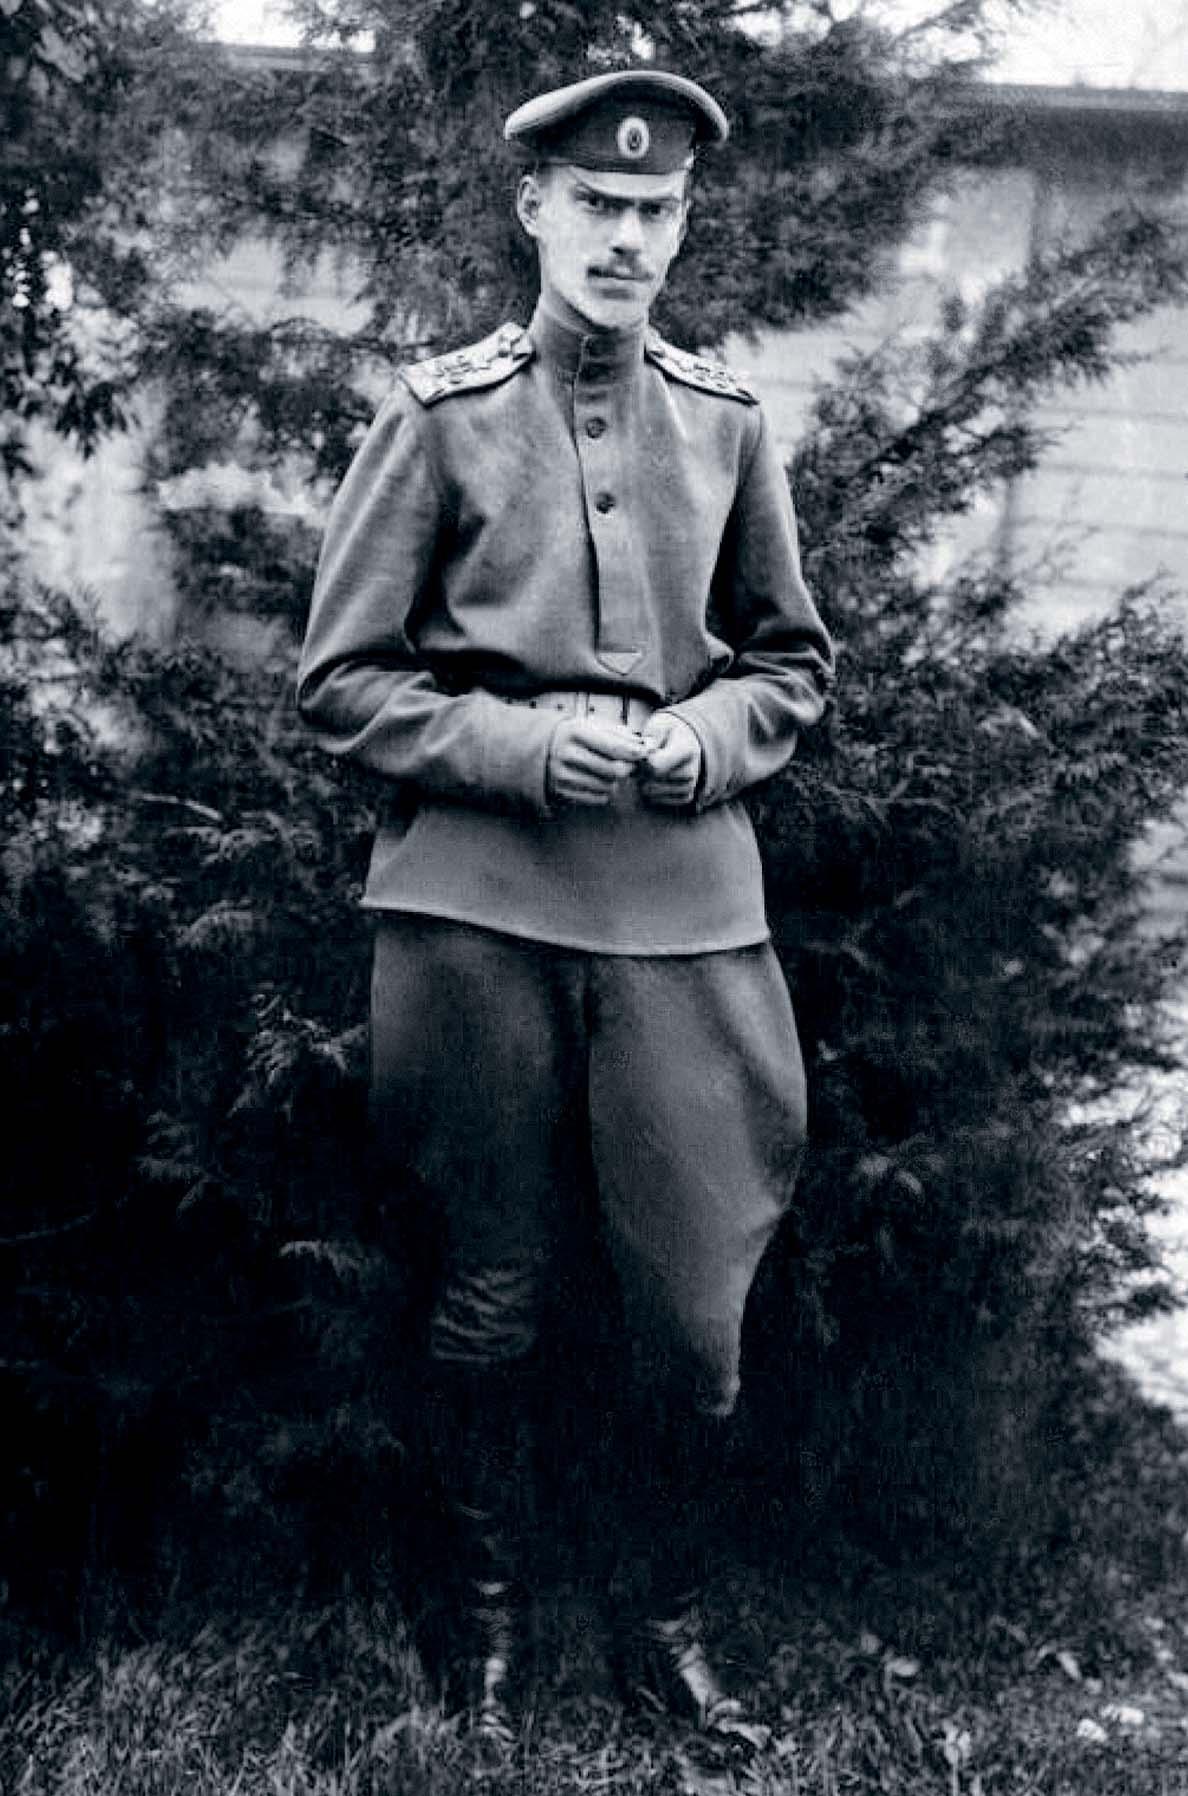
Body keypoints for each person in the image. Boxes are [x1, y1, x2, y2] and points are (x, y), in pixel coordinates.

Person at [297, 67, 835, 1743]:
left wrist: (702, 738)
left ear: (683, 224)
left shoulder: (724, 423)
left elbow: (791, 666)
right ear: (534, 208)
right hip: (476, 907)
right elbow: (342, 681)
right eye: (597, 205)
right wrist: (527, 749)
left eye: (655, 210)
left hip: (685, 909)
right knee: (490, 1293)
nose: (626, 238)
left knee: (695, 1316)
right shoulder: (440, 418)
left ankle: (660, 1632)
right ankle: (478, 1633)